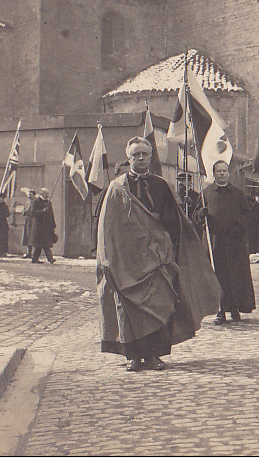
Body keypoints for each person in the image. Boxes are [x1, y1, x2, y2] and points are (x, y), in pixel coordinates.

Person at [97, 137, 221, 372]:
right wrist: (109, 260)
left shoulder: (161, 185)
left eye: (144, 154)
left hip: (157, 257)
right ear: (128, 157)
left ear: (151, 156)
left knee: (158, 305)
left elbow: (174, 222)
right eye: (135, 155)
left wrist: (168, 248)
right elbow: (107, 227)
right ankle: (132, 355)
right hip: (127, 260)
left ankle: (153, 355)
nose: (140, 159)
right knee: (128, 308)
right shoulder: (117, 188)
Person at [198, 160, 257, 325]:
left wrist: (238, 226)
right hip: (215, 242)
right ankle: (220, 310)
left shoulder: (237, 193)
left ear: (228, 174)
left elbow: (247, 214)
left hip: (234, 242)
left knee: (235, 276)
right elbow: (197, 217)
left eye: (224, 171)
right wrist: (201, 215)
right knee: (219, 276)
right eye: (219, 171)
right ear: (214, 173)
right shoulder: (206, 193)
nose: (222, 173)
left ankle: (235, 308)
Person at [29, 188, 56, 264]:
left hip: (46, 226)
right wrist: (42, 211)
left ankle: (48, 259)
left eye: (48, 194)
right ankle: (44, 258)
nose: (47, 195)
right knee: (40, 244)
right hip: (38, 226)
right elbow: (33, 213)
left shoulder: (48, 203)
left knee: (45, 244)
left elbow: (51, 215)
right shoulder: (36, 202)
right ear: (41, 193)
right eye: (46, 194)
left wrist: (53, 225)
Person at [21, 189, 36, 259]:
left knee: (34, 237)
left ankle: (35, 254)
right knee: (28, 237)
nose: (29, 196)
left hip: (34, 221)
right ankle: (29, 253)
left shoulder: (36, 202)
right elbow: (24, 211)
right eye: (29, 195)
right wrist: (24, 211)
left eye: (31, 194)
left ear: (34, 195)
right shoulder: (27, 203)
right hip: (28, 221)